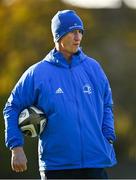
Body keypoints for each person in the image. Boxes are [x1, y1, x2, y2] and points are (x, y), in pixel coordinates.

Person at [3, 10, 117, 179]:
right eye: (72, 32)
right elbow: (12, 107)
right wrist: (16, 147)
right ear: (58, 35)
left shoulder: (93, 68)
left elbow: (107, 104)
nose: (78, 37)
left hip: (95, 163)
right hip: (57, 166)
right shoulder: (37, 73)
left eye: (80, 32)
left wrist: (108, 136)